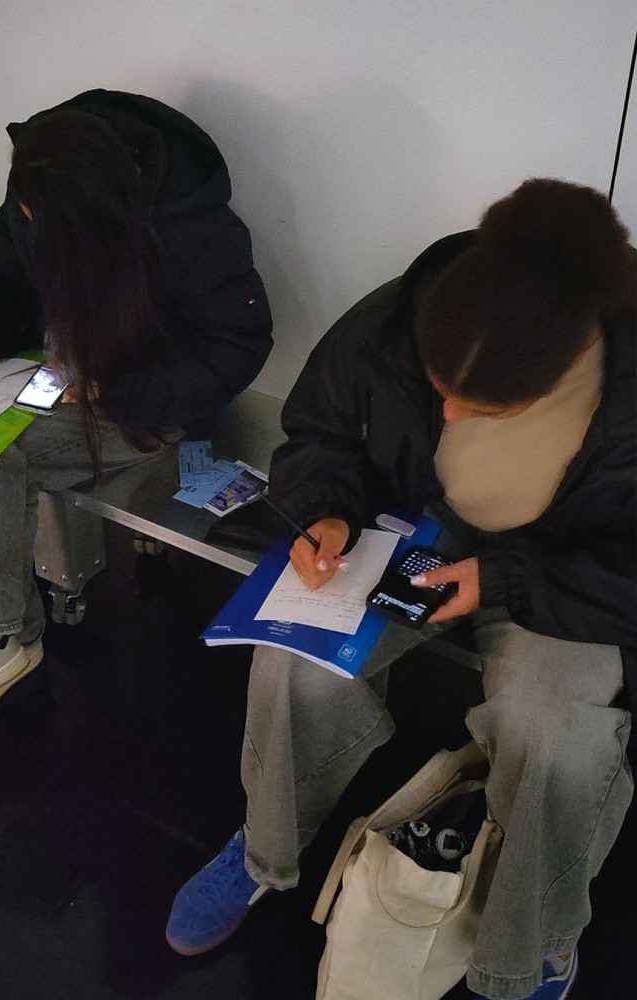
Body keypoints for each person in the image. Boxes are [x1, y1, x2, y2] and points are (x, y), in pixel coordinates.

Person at [165, 179, 636, 1000]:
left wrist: (506, 578)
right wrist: (326, 509)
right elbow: (320, 430)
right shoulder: (401, 314)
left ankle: (534, 944)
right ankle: (265, 851)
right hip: (426, 523)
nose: (447, 416)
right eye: (437, 387)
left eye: (479, 405)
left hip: (574, 571)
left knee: (555, 738)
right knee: (293, 662)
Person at [0, 89, 273, 748]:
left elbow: (237, 344)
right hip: (60, 377)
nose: (30, 223)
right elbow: (1, 271)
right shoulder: (44, 180)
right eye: (25, 212)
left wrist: (121, 387)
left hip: (148, 398)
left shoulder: (194, 229)